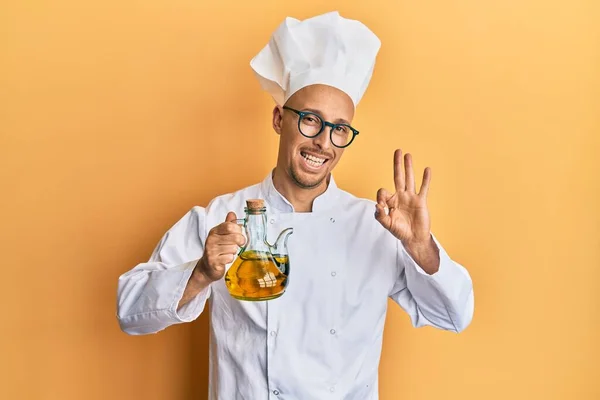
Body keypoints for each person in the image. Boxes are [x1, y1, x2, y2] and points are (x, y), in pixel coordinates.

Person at [117, 11, 474, 400]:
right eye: (310, 120)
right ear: (277, 119)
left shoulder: (377, 226)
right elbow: (130, 311)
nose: (323, 141)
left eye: (339, 129)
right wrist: (201, 273)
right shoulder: (222, 216)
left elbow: (455, 316)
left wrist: (421, 247)